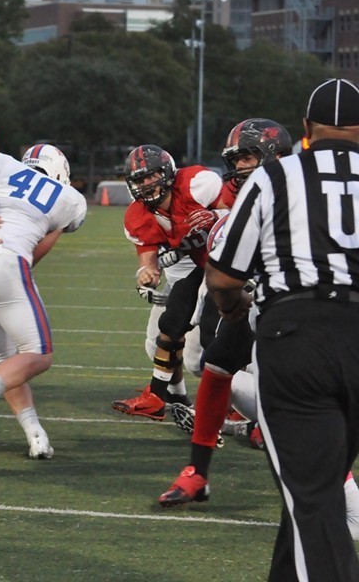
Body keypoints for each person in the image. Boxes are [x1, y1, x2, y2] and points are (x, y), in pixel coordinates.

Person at [206, 78, 359, 580]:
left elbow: (223, 277)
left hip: (298, 336)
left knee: (312, 497)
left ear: (307, 127)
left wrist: (232, 308)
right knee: (314, 487)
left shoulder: (277, 176)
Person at [159, 119, 292, 507]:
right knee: (216, 367)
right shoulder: (254, 196)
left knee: (295, 406)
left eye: (247, 157)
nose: (240, 167)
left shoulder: (297, 190)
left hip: (303, 309)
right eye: (236, 160)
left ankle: (341, 492)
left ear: (274, 154)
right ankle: (197, 471)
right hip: (261, 300)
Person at [0, 146, 86, 458]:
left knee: (7, 361)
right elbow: (35, 253)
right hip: (4, 260)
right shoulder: (70, 198)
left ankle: (36, 436)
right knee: (39, 355)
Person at [111, 145, 224, 420]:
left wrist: (217, 216)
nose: (147, 184)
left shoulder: (196, 185)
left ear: (169, 172)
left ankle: (235, 407)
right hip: (195, 270)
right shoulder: (138, 216)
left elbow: (243, 215)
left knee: (203, 354)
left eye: (152, 175)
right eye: (140, 179)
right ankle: (166, 397)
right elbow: (148, 264)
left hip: (231, 268)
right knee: (163, 333)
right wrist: (145, 277)